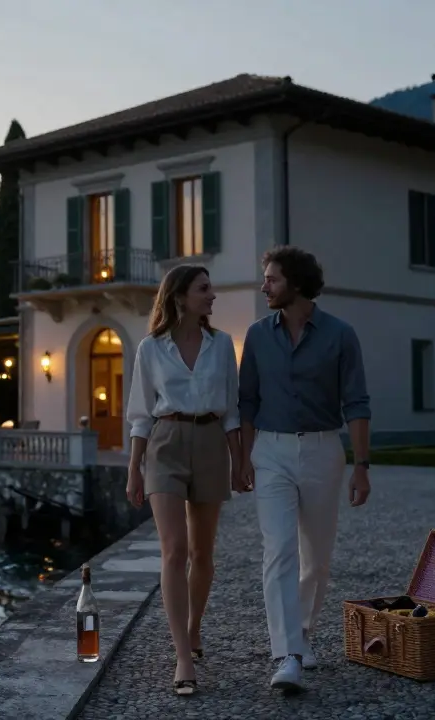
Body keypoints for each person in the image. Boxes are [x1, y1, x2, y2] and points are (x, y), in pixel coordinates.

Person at [237, 246, 372, 694]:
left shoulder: (340, 335)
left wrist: (361, 467)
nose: (264, 287)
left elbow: (356, 403)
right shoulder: (257, 336)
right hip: (270, 452)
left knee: (315, 557)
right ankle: (287, 654)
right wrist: (245, 457)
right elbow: (247, 402)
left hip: (321, 450)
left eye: (272, 279)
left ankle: (305, 633)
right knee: (278, 551)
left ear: (295, 283)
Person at [125, 263, 244, 697]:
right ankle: (181, 655)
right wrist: (133, 468)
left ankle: (194, 627)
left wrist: (240, 461)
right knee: (174, 549)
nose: (212, 296)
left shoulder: (222, 345)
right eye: (204, 289)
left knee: (201, 551)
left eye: (210, 288)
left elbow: (232, 410)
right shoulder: (150, 349)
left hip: (211, 442)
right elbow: (140, 414)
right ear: (179, 297)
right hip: (165, 444)